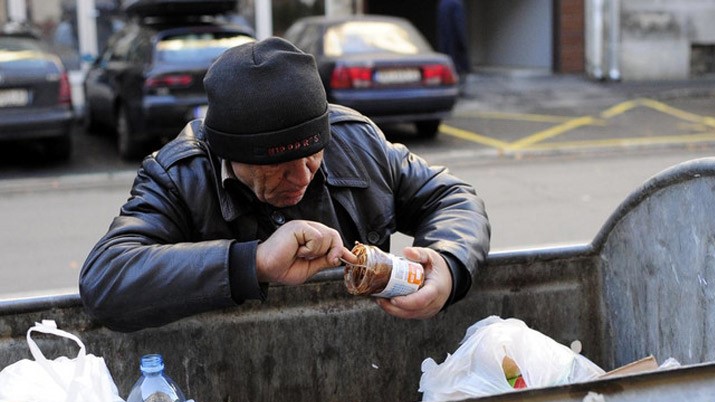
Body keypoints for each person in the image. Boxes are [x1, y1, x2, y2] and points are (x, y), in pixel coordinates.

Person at [78, 37, 490, 333]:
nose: (304, 176)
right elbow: (106, 280)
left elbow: (452, 196)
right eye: (278, 166)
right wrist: (251, 262)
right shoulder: (178, 177)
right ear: (228, 153)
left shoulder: (356, 141)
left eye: (313, 155)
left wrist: (449, 264)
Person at [436, 0, 471, 89]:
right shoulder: (456, 4)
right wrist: (463, 45)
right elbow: (459, 27)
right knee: (459, 81)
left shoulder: (442, 4)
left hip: (445, 48)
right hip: (456, 50)